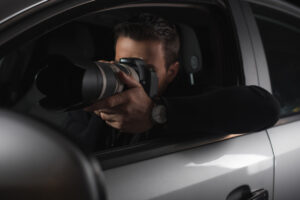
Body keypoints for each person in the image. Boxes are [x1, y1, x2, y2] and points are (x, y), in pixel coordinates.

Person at [65, 14, 280, 151]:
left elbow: (266, 107)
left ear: (171, 71)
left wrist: (157, 113)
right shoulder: (96, 99)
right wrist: (102, 101)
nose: (131, 76)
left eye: (144, 69)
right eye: (123, 65)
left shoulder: (190, 98)